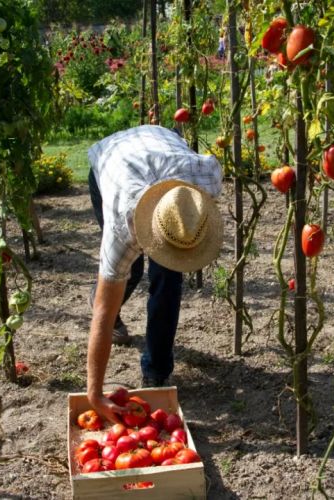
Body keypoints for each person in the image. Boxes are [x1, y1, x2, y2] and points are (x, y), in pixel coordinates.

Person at [85, 125, 224, 424]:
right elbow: (101, 313)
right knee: (127, 274)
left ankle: (156, 371)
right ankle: (115, 310)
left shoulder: (204, 183)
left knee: (168, 280)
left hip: (159, 142)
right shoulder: (123, 226)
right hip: (111, 161)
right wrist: (95, 395)